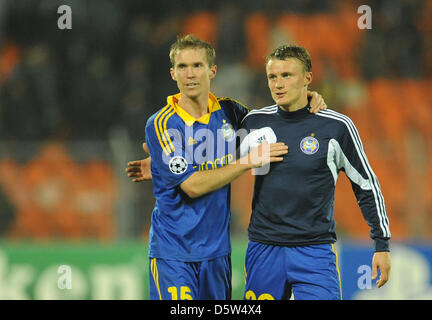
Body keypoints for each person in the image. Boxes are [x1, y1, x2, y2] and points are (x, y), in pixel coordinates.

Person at [125, 34, 326, 300]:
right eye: (182, 67)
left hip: (217, 254)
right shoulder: (162, 124)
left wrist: (306, 96)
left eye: (197, 65)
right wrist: (248, 161)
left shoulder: (231, 113)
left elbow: (276, 123)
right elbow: (192, 186)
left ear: (212, 70)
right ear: (173, 74)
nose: (190, 74)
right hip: (173, 253)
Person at [239, 44, 391, 300]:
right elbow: (216, 161)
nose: (278, 84)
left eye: (287, 75)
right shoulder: (253, 123)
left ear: (308, 78)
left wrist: (381, 244)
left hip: (314, 252)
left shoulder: (336, 126)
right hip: (264, 250)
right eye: (272, 77)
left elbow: (366, 185)